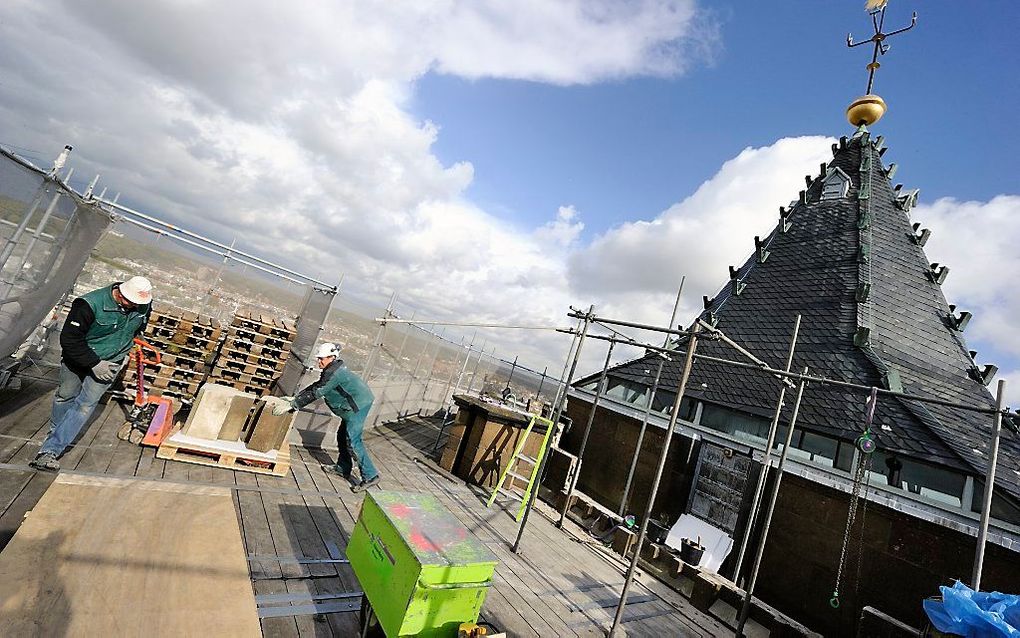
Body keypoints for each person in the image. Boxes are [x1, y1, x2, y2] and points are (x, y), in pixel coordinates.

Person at [30, 277, 153, 472]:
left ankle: (50, 450)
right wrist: (94, 363)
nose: (134, 307)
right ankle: (56, 434)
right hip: (78, 358)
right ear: (120, 294)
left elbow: (140, 324)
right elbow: (69, 339)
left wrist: (132, 339)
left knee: (85, 406)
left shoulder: (142, 304)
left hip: (112, 360)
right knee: (65, 397)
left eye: (139, 304)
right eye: (131, 302)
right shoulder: (89, 304)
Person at [275, 342, 379, 492]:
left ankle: (370, 476)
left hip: (358, 405)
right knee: (342, 436)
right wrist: (295, 398)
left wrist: (295, 405)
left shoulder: (334, 374)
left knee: (353, 441)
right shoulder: (332, 370)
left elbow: (318, 392)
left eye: (322, 358)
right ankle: (343, 468)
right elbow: (317, 386)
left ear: (332, 357)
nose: (319, 361)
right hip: (354, 404)